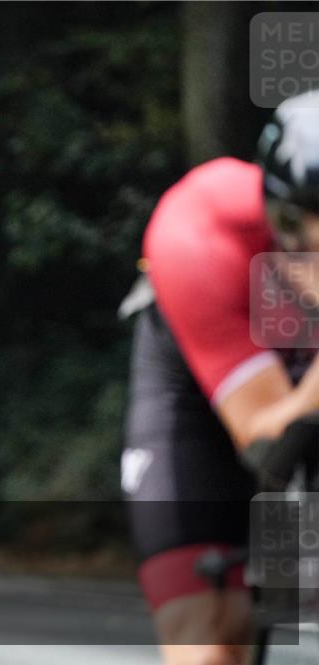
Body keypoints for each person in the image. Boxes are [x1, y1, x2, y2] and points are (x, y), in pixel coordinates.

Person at [122, 90, 319, 665]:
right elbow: (264, 438)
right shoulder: (200, 231)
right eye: (301, 229)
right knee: (209, 636)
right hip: (208, 398)